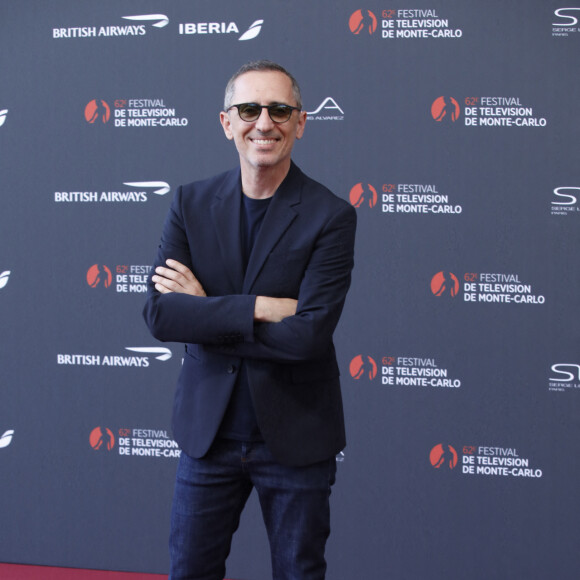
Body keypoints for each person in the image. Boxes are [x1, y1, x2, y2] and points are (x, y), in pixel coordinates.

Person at [143, 60, 357, 580]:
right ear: (226, 122)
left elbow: (307, 336)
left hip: (296, 439)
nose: (264, 122)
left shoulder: (330, 216)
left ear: (300, 122)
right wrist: (258, 306)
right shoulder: (190, 204)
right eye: (249, 109)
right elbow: (161, 314)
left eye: (279, 109)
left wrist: (207, 310)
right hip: (207, 437)